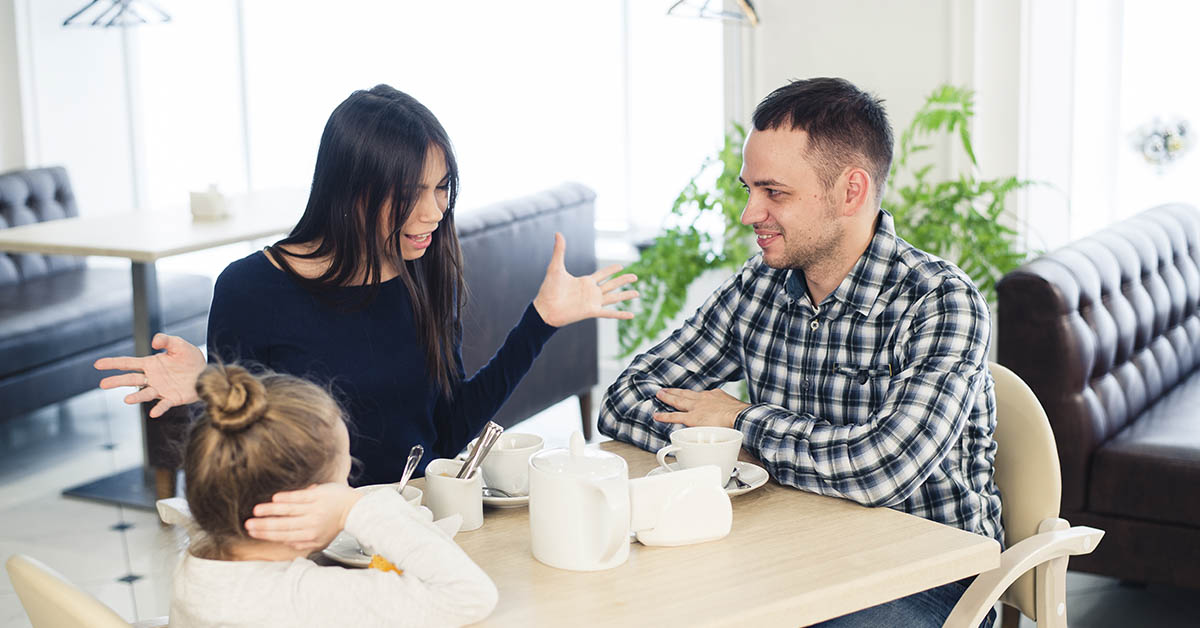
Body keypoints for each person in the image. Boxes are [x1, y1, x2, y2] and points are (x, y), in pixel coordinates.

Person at [598, 77, 1000, 627]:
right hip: (787, 552)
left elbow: (882, 468)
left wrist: (741, 423)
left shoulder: (941, 302)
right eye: (749, 189)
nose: (749, 213)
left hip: (930, 577)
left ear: (851, 192)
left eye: (774, 193)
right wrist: (721, 443)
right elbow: (623, 402)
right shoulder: (759, 286)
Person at [94, 85, 637, 488]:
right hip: (311, 541)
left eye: (442, 187)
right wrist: (212, 390)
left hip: (417, 526)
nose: (433, 212)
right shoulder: (249, 290)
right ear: (350, 191)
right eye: (411, 193)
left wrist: (538, 323)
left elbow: (445, 436)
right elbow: (245, 468)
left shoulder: (424, 272)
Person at [170, 363, 497, 627]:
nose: (348, 490)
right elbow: (470, 594)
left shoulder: (194, 568)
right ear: (299, 505)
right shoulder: (305, 598)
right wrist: (353, 508)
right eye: (343, 482)